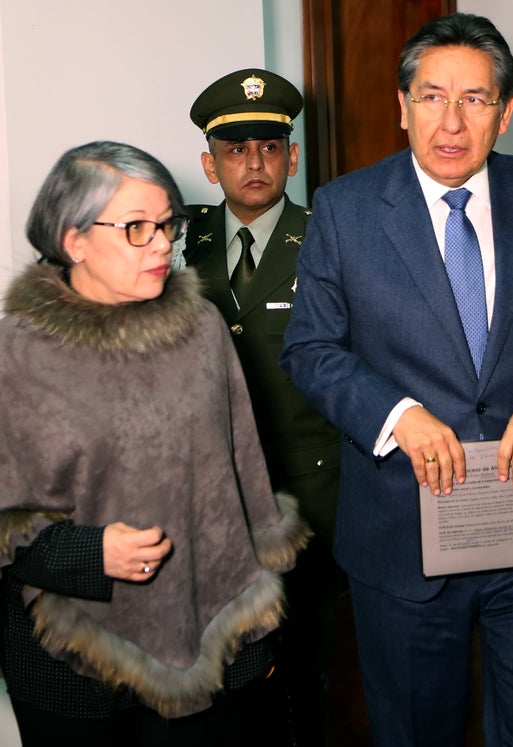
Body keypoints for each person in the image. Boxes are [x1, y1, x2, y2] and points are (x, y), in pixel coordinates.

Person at [280, 12, 513, 746]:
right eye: (433, 97)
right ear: (402, 106)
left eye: (475, 99)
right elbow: (310, 348)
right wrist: (395, 413)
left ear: (506, 112)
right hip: (402, 532)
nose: (452, 122)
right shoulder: (345, 210)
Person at [0, 141, 310, 746]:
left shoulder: (202, 328)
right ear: (74, 241)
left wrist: (256, 635)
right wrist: (88, 554)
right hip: (71, 663)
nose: (163, 243)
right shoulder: (13, 353)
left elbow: (242, 480)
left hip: (213, 642)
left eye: (167, 223)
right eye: (136, 228)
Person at [182, 68, 343, 745]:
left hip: (309, 493)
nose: (254, 163)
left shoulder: (331, 235)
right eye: (236, 149)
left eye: (271, 147)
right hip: (214, 497)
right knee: (222, 673)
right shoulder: (180, 242)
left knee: (303, 669)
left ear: (293, 155)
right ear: (209, 163)